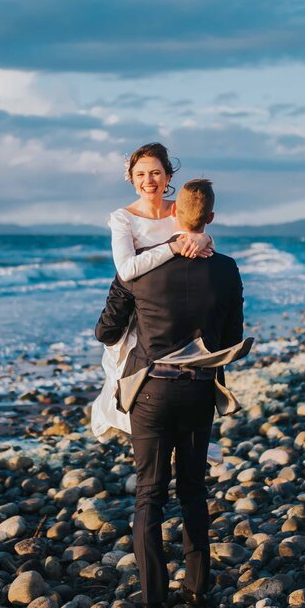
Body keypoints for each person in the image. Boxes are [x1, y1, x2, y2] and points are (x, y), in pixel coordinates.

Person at [95, 179, 252, 608]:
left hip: (151, 392)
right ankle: (198, 591)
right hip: (200, 390)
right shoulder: (226, 268)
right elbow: (233, 336)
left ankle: (152, 601)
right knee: (193, 490)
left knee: (149, 494)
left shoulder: (141, 270)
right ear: (211, 219)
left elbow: (106, 331)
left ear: (172, 216)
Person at [90, 143, 213, 442]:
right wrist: (172, 247)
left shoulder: (179, 212)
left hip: (180, 311)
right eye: (141, 174)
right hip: (139, 314)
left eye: (156, 172)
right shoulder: (123, 218)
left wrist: (205, 238)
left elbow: (205, 248)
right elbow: (127, 269)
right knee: (138, 387)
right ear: (131, 178)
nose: (149, 180)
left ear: (168, 177)